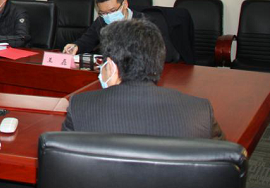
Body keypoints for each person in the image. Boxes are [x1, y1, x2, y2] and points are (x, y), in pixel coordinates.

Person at [62, 18, 224, 139]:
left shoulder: (80, 108)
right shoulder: (200, 112)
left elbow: (65, 164)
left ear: (111, 67)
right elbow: (225, 165)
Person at [63, 0, 143, 55]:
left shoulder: (143, 23)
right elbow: (88, 40)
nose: (109, 16)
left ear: (125, 4)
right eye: (103, 13)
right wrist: (76, 46)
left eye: (113, 11)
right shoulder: (101, 21)